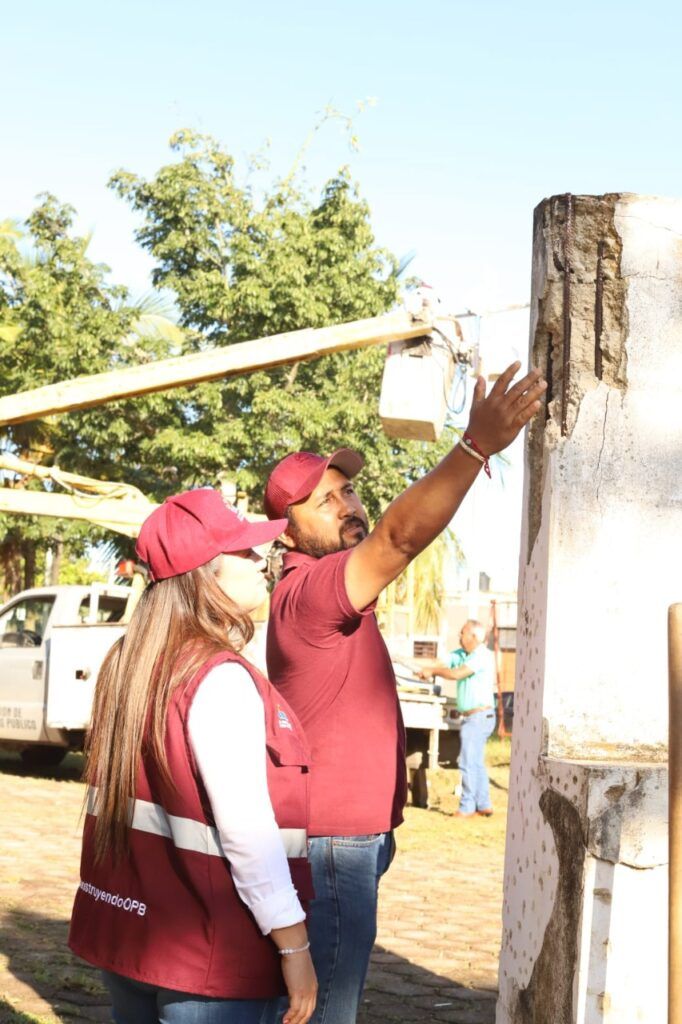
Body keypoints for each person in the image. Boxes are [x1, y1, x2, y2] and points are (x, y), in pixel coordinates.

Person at [263, 361, 546, 1023]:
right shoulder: (309, 591)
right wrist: (475, 447)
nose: (348, 504)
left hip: (349, 840)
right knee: (324, 1011)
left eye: (349, 490)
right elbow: (398, 537)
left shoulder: (334, 596)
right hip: (333, 842)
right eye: (323, 500)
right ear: (287, 530)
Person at [68, 488, 318, 1024]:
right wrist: (294, 949)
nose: (261, 561)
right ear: (206, 573)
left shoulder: (127, 662)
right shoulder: (218, 677)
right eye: (244, 552)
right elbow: (247, 832)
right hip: (211, 957)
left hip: (136, 938)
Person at [417, 620, 497, 817]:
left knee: (468, 763)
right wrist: (426, 668)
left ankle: (467, 807)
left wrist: (433, 671)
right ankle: (484, 804)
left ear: (475, 637)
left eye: (463, 633)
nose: (459, 637)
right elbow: (444, 662)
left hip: (478, 716)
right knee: (476, 762)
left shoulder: (481, 656)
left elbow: (456, 673)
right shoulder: (464, 654)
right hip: (476, 717)